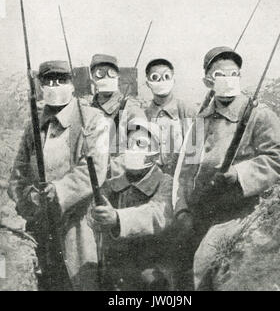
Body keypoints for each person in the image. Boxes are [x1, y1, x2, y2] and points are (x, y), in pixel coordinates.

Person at [173, 46, 280, 290]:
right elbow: (187, 169)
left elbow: (277, 159)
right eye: (219, 75)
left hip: (236, 211)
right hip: (199, 209)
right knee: (176, 262)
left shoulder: (259, 114)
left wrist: (239, 173)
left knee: (203, 265)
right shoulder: (201, 118)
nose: (228, 80)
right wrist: (182, 208)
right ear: (207, 80)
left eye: (233, 74)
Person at [8, 60, 110, 291]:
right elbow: (17, 176)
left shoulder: (92, 119)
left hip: (80, 224)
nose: (55, 86)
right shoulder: (33, 125)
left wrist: (59, 190)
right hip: (41, 225)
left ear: (72, 84)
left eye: (61, 80)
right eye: (49, 81)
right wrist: (29, 198)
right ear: (41, 86)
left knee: (82, 282)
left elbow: (94, 170)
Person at [88, 118, 193, 290]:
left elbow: (157, 214)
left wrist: (117, 218)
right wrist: (97, 215)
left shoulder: (167, 183)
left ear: (156, 152)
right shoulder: (112, 185)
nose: (134, 149)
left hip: (154, 268)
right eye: (131, 143)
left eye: (141, 144)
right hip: (117, 267)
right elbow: (93, 219)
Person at [144, 58, 196, 175]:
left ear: (173, 80)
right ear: (148, 83)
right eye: (155, 77)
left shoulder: (187, 110)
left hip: (180, 178)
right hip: (152, 179)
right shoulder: (144, 115)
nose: (162, 81)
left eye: (166, 77)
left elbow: (194, 154)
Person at [90, 54, 144, 155]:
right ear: (92, 77)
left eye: (111, 73)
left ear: (118, 77)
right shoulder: (87, 110)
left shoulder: (131, 110)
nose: (106, 77)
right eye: (100, 73)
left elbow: (140, 150)